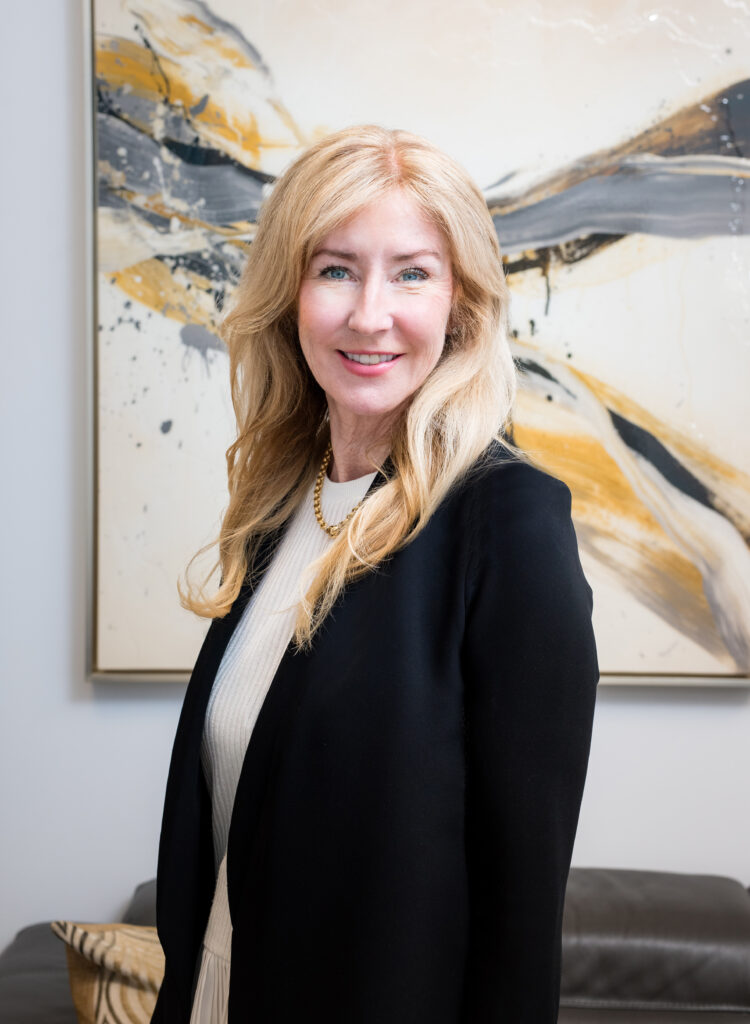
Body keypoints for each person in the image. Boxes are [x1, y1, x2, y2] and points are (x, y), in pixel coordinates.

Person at [151, 124, 599, 1024]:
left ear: (460, 306)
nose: (368, 313)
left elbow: (522, 904)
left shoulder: (509, 522)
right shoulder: (288, 507)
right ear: (291, 293)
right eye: (335, 269)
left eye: (411, 272)